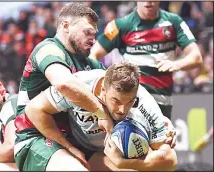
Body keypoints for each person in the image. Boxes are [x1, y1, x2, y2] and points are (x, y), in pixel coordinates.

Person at [20, 61, 177, 171]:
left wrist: (122, 163)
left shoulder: (146, 104)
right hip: (81, 148)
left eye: (130, 101)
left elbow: (170, 160)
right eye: (116, 100)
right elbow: (34, 109)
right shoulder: (80, 85)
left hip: (120, 156)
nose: (122, 109)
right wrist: (69, 147)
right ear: (103, 90)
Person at [14, 2, 114, 171]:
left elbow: (117, 94)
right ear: (66, 26)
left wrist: (158, 124)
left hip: (75, 141)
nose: (93, 39)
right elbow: (64, 83)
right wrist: (101, 112)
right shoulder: (47, 49)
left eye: (94, 34)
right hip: (37, 138)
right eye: (87, 32)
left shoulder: (92, 64)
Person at [90, 1, 203, 119]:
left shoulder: (174, 22)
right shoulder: (122, 25)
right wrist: (102, 82)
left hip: (162, 104)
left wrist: (177, 64)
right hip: (133, 104)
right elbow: (93, 54)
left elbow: (196, 57)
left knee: (164, 137)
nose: (148, 1)